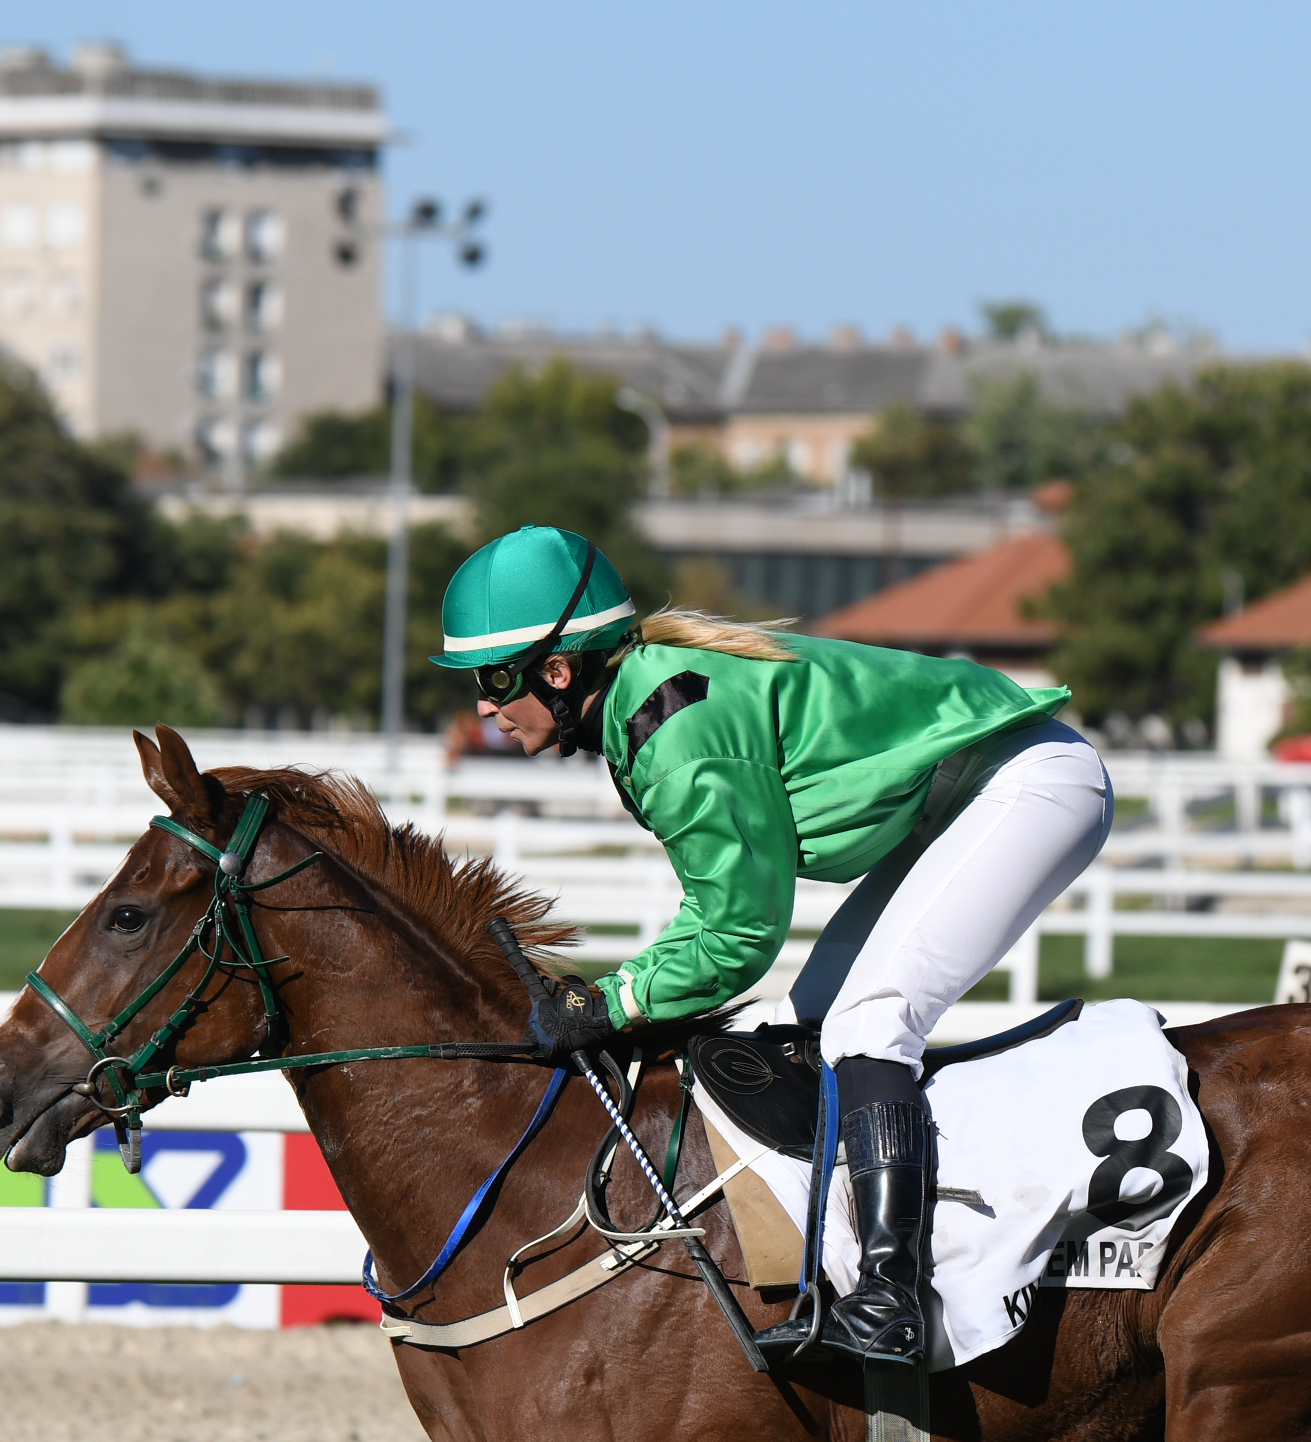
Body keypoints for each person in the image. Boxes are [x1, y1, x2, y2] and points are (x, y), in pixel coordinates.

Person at [433, 523, 1113, 1367]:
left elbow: (738, 935)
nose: (484, 706)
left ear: (559, 671)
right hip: (961, 796)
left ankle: (895, 1295)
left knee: (870, 1024)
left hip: (1026, 783)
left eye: (494, 681)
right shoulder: (648, 706)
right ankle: (838, 1266)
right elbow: (728, 922)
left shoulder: (671, 725)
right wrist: (620, 995)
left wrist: (610, 1000)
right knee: (804, 1021)